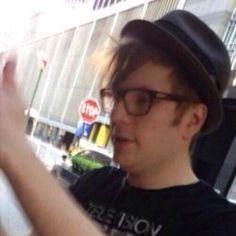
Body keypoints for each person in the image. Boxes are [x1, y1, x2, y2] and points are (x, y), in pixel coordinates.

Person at [69, 10, 236, 236]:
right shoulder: (93, 185)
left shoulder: (215, 223)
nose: (117, 115)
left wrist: (20, 157)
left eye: (141, 99)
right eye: (116, 96)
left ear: (192, 120)